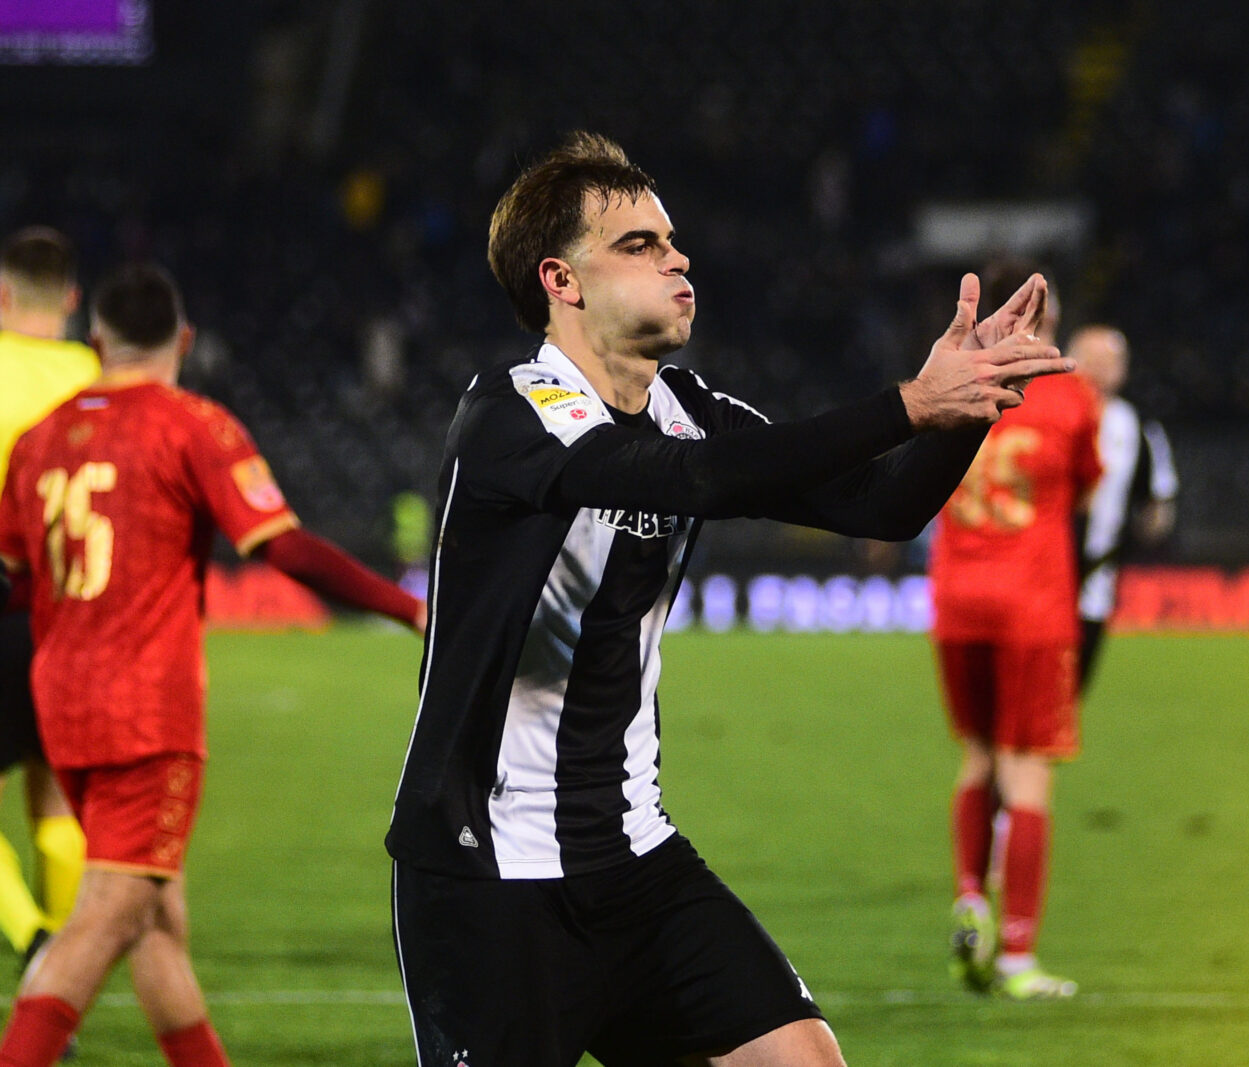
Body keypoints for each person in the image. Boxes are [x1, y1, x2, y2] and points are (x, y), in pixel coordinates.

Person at [385, 131, 1069, 1067]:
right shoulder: (511, 412)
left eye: (673, 241)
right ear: (561, 280)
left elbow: (883, 505)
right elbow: (690, 479)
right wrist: (908, 402)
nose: (677, 260)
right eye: (639, 245)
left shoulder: (687, 407)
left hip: (635, 856)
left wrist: (965, 406)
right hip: (491, 872)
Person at [0, 263, 427, 1067]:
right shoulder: (191, 424)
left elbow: (18, 582)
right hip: (144, 712)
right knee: (106, 917)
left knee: (158, 924)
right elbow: (283, 547)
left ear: (98, 342)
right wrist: (409, 608)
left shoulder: (39, 439)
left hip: (61, 706)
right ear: (184, 340)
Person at [927, 260, 1103, 1000]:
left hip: (957, 599)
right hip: (1032, 604)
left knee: (977, 757)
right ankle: (1017, 956)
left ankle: (972, 893)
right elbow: (1086, 489)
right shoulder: (1069, 395)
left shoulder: (954, 381)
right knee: (1027, 772)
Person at [0, 227, 94, 971]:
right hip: (81, 615)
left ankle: (29, 934)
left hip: (5, 601)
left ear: (2, 295)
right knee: (58, 795)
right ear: (71, 300)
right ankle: (60, 970)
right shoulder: (98, 377)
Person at [1067, 326, 1178, 691]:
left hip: (1096, 582)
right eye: (1093, 359)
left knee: (1070, 692)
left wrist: (1126, 547)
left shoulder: (1137, 426)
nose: (1102, 369)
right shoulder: (1048, 413)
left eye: (1112, 361)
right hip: (1037, 575)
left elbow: (1157, 505)